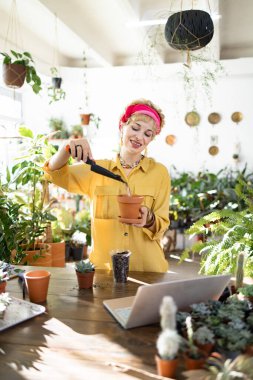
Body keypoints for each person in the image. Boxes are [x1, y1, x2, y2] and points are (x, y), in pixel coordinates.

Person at [44, 99, 171, 272]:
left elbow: (162, 224)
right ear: (122, 127)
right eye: (135, 128)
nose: (139, 137)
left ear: (151, 139)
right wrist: (66, 148)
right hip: (106, 270)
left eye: (148, 134)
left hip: (148, 269)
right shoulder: (96, 169)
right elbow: (54, 174)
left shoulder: (159, 173)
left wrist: (149, 218)